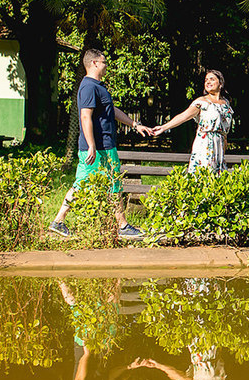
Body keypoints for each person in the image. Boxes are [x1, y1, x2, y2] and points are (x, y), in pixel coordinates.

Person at [50, 49, 152, 239]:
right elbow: (85, 116)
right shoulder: (89, 86)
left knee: (90, 183)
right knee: (109, 183)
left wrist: (135, 124)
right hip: (99, 147)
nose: (106, 65)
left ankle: (59, 221)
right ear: (95, 63)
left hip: (104, 145)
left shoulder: (97, 86)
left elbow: (111, 110)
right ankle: (122, 226)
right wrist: (92, 145)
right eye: (104, 62)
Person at [153, 69, 234, 173]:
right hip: (205, 144)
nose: (208, 82)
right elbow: (184, 116)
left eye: (212, 79)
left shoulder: (226, 103)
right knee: (204, 177)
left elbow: (224, 128)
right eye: (206, 80)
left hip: (220, 146)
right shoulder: (202, 102)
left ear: (220, 83)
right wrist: (164, 127)